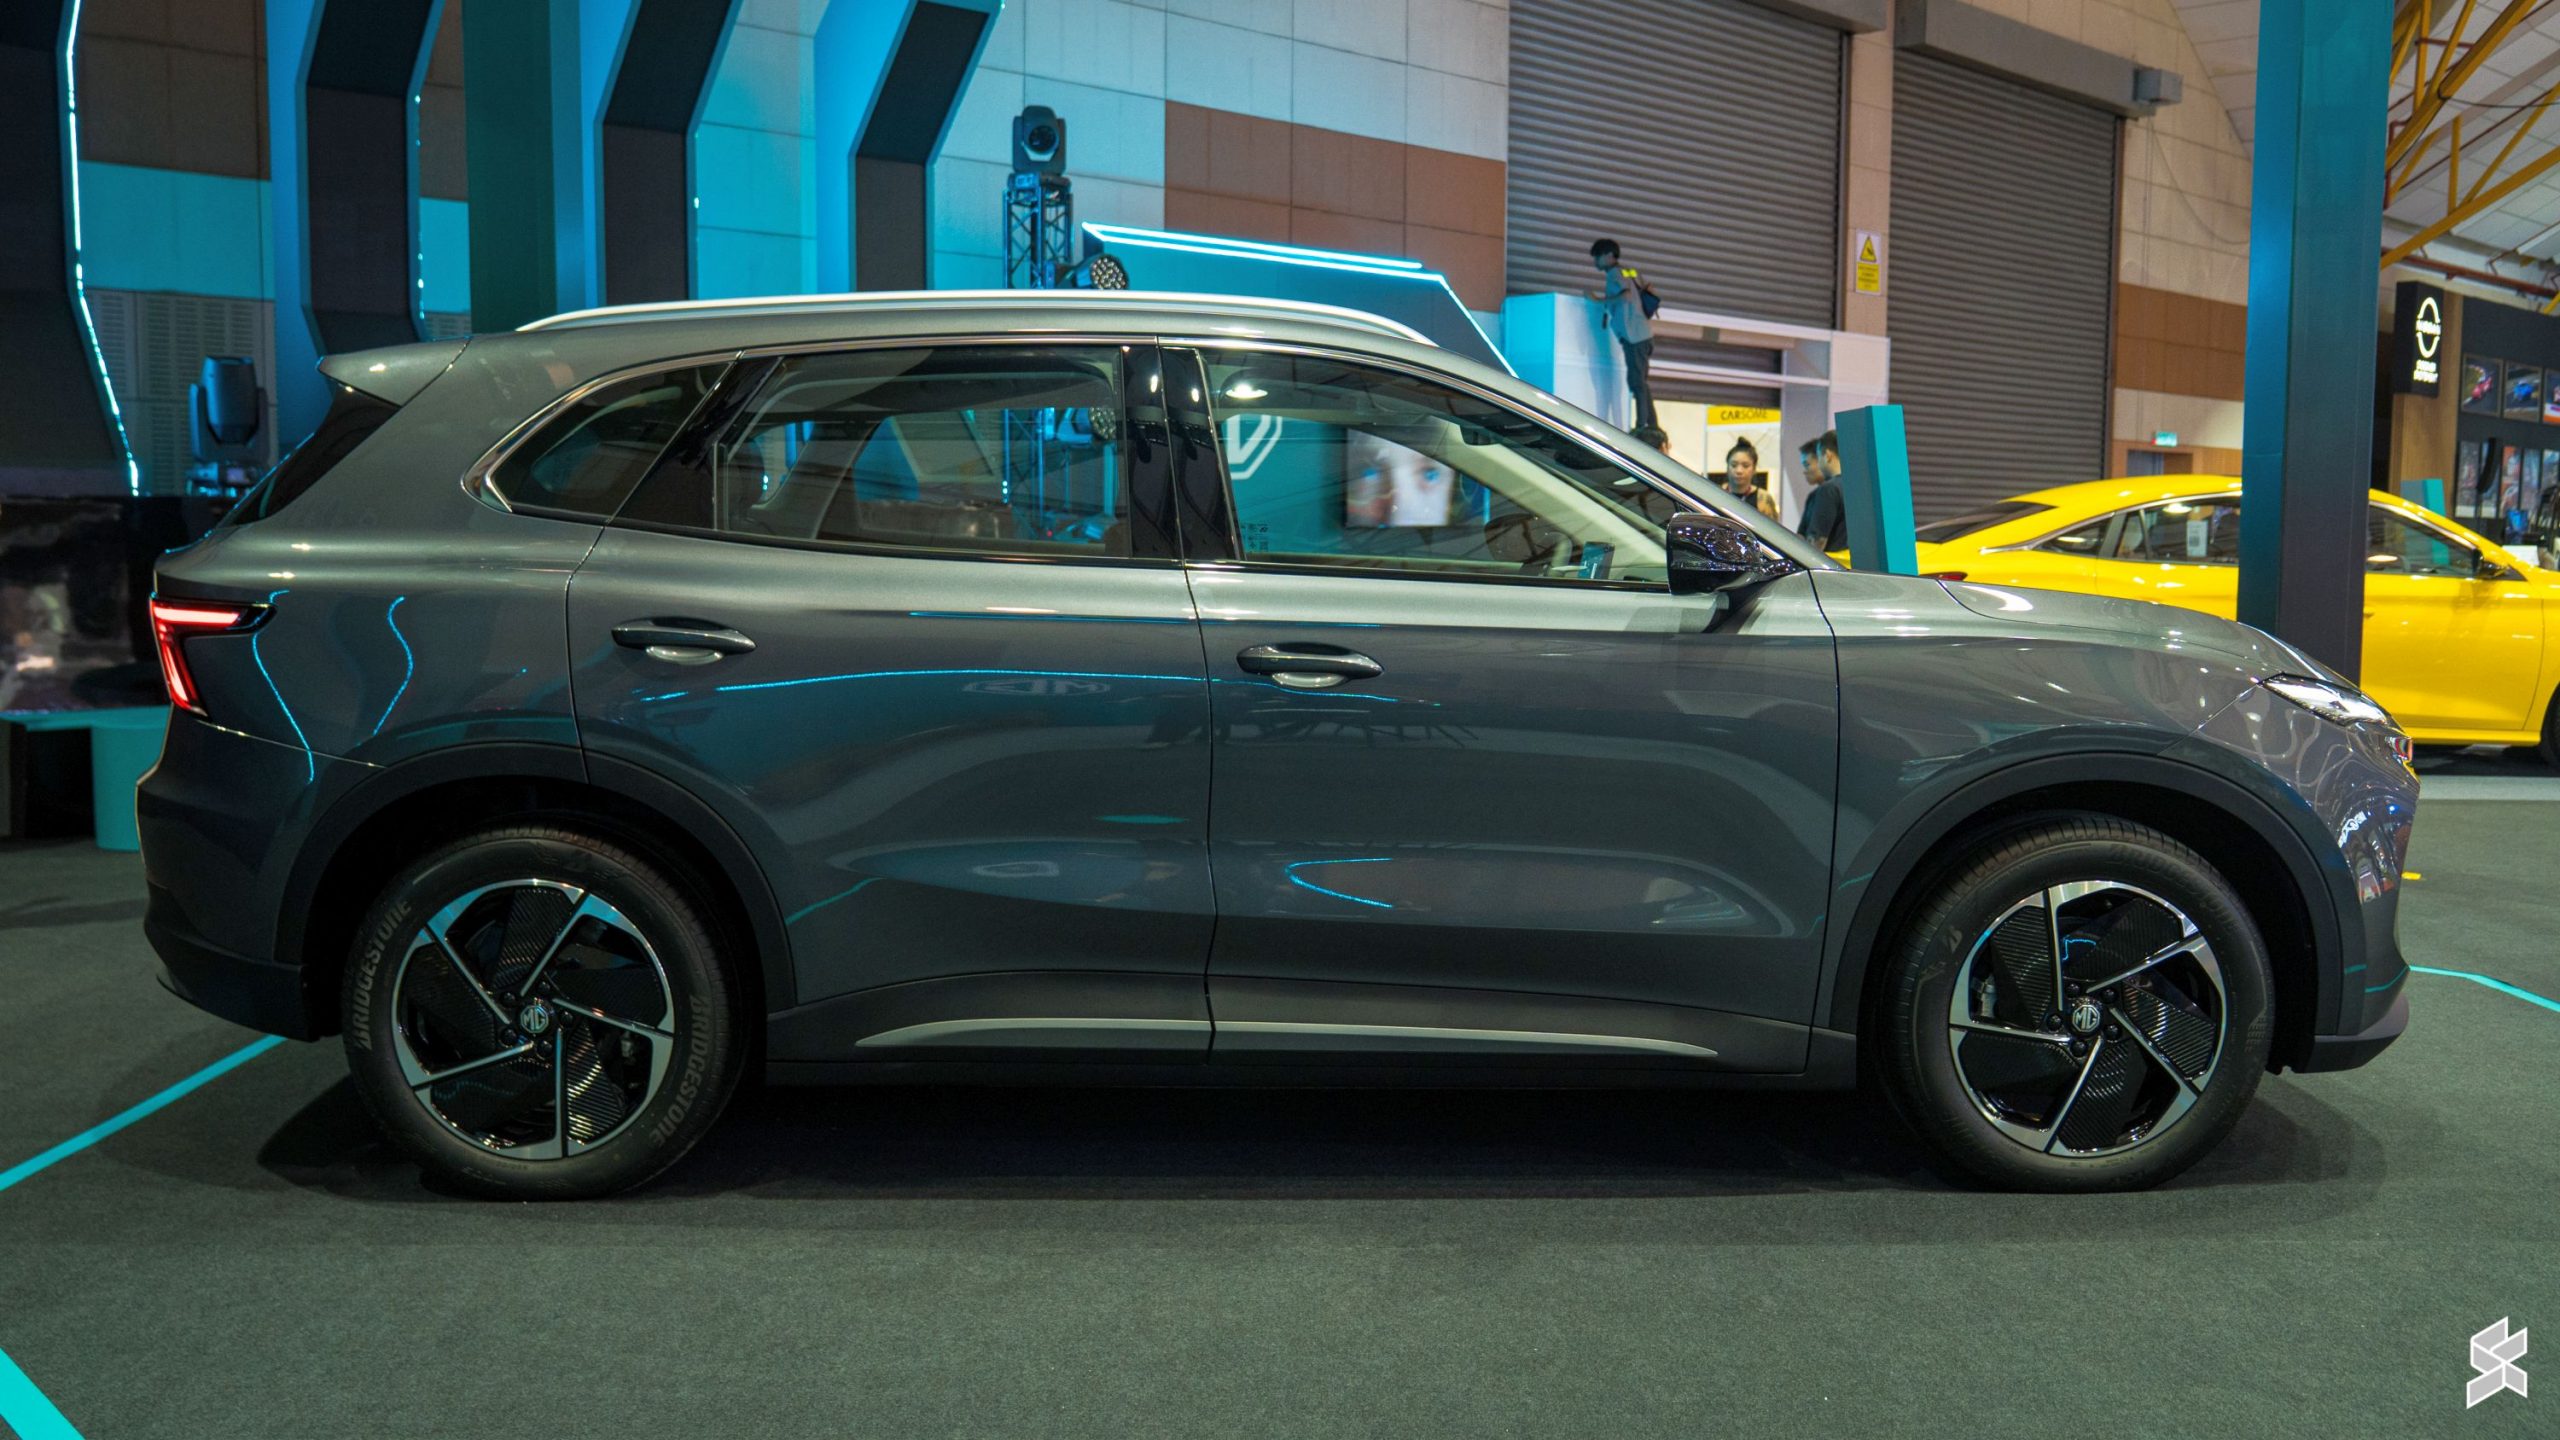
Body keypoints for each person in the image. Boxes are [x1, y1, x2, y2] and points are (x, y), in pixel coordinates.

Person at [1586, 238, 1658, 440]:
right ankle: (1652, 424)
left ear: (1609, 255)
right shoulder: (1630, 271)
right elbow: (1646, 288)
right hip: (1643, 333)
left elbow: (1625, 296)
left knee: (1636, 382)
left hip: (1634, 336)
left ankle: (1641, 427)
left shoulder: (1614, 274)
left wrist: (1599, 300)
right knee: (1641, 382)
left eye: (1598, 257)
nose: (1595, 261)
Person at [1797, 430, 1848, 552]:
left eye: (1819, 457)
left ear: (1827, 455)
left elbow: (1817, 542)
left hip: (1831, 561)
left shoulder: (1828, 490)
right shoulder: (1856, 488)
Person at [1722, 438, 1780, 520]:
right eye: (1734, 465)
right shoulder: (1717, 493)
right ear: (1727, 467)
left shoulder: (1764, 499)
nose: (1739, 471)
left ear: (1754, 469)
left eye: (1745, 466)